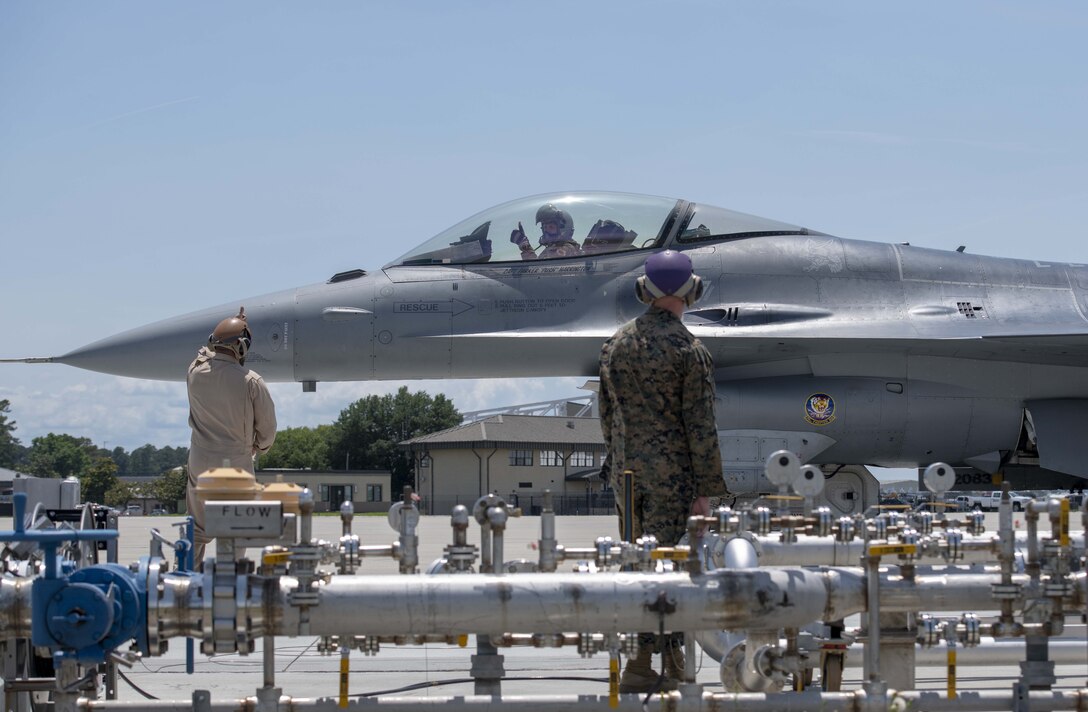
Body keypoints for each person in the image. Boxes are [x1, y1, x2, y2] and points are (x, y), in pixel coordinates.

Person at [598, 250, 725, 693]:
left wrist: (617, 466)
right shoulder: (691, 351)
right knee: (670, 569)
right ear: (691, 290)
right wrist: (707, 490)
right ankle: (671, 662)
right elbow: (701, 427)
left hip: (627, 479)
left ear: (645, 291)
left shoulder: (615, 344)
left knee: (635, 563)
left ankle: (637, 661)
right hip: (673, 480)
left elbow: (606, 414)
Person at [186, 307, 277, 566]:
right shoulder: (251, 381)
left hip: (199, 459)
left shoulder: (194, 372)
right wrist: (258, 447)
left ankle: (185, 577)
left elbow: (202, 357)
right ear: (242, 346)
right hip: (236, 462)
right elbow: (268, 429)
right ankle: (231, 578)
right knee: (237, 527)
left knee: (196, 528)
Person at [509, 203, 581, 259]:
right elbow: (537, 268)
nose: (546, 231)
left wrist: (526, 248)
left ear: (564, 229)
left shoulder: (568, 248)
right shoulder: (550, 248)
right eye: (545, 227)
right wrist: (526, 248)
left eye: (551, 227)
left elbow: (543, 265)